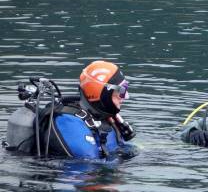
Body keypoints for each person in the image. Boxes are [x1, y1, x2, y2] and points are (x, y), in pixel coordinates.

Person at [4, 60, 136, 159]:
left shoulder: (105, 119)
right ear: (101, 92)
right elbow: (88, 164)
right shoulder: (68, 122)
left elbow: (122, 149)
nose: (123, 97)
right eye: (121, 91)